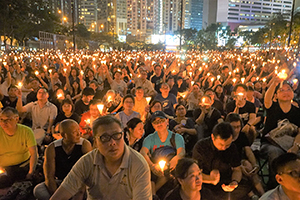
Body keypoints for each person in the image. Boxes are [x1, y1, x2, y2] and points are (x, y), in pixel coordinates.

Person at [50, 115, 152, 200]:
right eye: (105, 138)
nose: (112, 143)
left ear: (123, 135)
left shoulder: (138, 164)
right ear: (95, 141)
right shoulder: (88, 161)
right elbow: (61, 195)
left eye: (116, 135)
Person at [33, 119, 92, 200]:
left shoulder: (84, 145)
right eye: (74, 132)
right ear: (64, 135)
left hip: (80, 183)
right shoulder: (52, 148)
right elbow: (49, 176)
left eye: (79, 130)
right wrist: (57, 195)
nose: (79, 134)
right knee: (39, 190)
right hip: (61, 183)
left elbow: (89, 173)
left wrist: (80, 193)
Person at [192, 122, 251, 200]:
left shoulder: (232, 147)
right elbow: (194, 174)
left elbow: (237, 169)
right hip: (206, 183)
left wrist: (234, 182)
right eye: (221, 144)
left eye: (227, 145)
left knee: (246, 187)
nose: (223, 148)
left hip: (225, 181)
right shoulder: (201, 147)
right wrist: (210, 179)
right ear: (213, 137)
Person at [261, 79, 300, 189]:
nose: (285, 92)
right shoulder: (272, 107)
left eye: (288, 89)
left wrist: (295, 147)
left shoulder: (297, 112)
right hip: (270, 144)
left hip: (291, 144)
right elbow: (267, 100)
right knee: (275, 152)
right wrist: (274, 82)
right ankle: (275, 185)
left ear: (293, 93)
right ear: (276, 95)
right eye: (281, 90)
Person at [140, 111, 185, 196]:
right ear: (153, 125)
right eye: (156, 122)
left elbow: (181, 153)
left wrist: (168, 165)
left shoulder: (177, 137)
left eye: (161, 120)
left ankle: (153, 192)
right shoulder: (149, 139)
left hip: (171, 166)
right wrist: (152, 166)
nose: (159, 124)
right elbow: (143, 152)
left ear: (167, 121)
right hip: (155, 166)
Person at [225, 113, 265, 198]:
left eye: (238, 127)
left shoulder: (242, 135)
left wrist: (254, 164)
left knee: (250, 167)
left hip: (241, 159)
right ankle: (251, 194)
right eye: (234, 127)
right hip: (228, 162)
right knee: (243, 169)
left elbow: (248, 151)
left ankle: (262, 194)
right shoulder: (225, 137)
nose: (236, 130)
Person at [0, 107, 38, 189]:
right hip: (3, 169)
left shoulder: (26, 131)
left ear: (16, 119)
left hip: (22, 166)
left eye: (8, 119)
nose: (3, 123)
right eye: (1, 119)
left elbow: (34, 153)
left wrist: (30, 173)